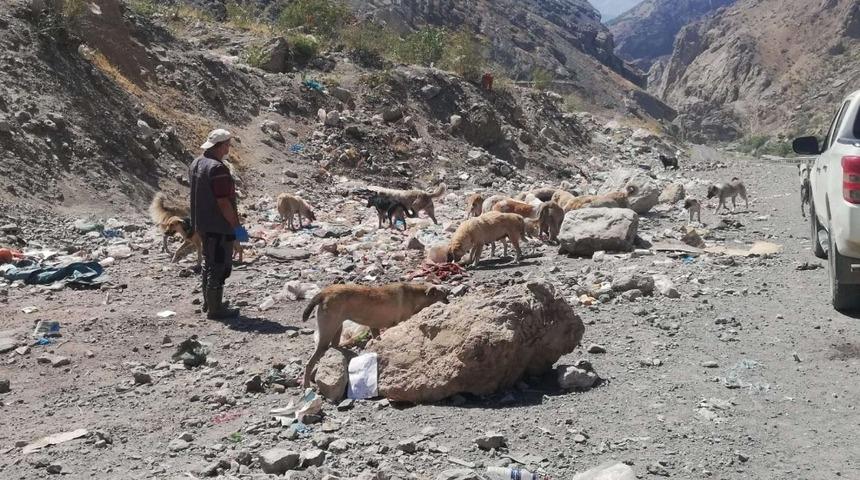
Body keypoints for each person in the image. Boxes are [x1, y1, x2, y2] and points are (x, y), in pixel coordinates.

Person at [189, 129, 249, 320]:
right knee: (220, 266)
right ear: (221, 145)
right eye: (228, 144)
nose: (229, 148)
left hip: (202, 223)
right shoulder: (218, 169)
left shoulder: (196, 163)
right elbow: (224, 203)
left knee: (208, 262)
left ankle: (209, 303)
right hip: (219, 226)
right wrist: (237, 229)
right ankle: (215, 309)